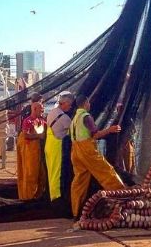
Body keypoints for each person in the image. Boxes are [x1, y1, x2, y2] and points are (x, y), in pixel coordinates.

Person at [70, 94, 125, 223]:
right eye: (88, 103)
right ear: (85, 103)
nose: (89, 105)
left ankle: (76, 212)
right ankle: (123, 198)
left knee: (79, 182)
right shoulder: (86, 117)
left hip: (75, 151)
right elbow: (96, 135)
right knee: (107, 172)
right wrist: (110, 129)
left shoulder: (74, 119)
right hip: (87, 150)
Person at [45, 92, 74, 203]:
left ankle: (52, 195)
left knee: (51, 172)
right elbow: (73, 132)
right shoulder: (65, 118)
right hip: (56, 147)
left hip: (48, 145)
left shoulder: (51, 112)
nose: (70, 107)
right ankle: (56, 199)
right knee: (57, 173)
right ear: (65, 103)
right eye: (70, 105)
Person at [16, 101, 47, 200]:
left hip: (38, 151)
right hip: (29, 151)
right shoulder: (27, 121)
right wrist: (38, 136)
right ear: (34, 109)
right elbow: (25, 135)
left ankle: (38, 195)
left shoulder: (41, 120)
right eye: (41, 109)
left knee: (41, 174)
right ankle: (27, 197)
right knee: (30, 174)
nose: (43, 111)